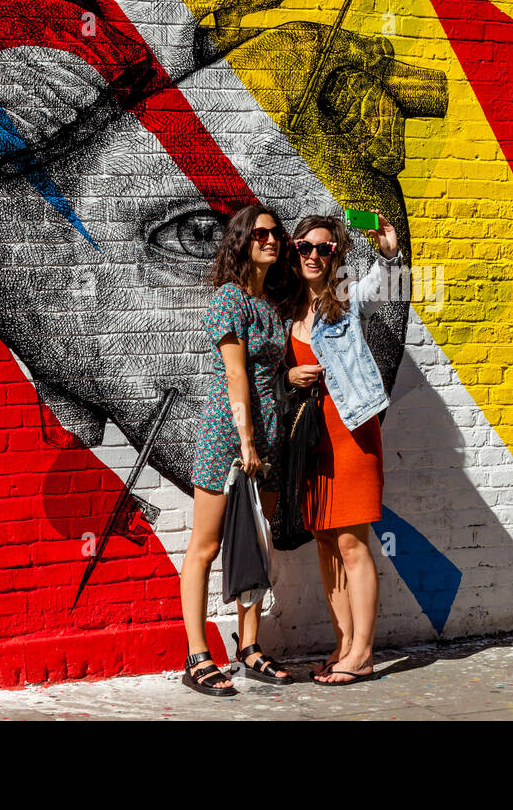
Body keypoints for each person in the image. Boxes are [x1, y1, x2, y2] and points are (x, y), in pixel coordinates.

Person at [181, 205, 296, 696]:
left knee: (257, 542)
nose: (271, 241)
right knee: (206, 546)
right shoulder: (228, 299)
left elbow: (270, 376)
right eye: (261, 234)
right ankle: (197, 656)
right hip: (228, 435)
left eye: (276, 235)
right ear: (242, 241)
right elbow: (235, 375)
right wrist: (246, 440)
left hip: (267, 437)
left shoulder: (271, 305)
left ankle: (248, 647)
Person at [283, 211, 401, 685]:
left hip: (350, 431)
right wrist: (289, 376)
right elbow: (268, 370)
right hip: (309, 441)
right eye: (305, 247)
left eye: (325, 248)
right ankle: (344, 645)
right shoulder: (283, 307)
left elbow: (385, 281)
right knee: (327, 543)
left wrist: (388, 252)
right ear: (294, 252)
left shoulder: (348, 300)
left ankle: (364, 654)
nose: (314, 255)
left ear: (337, 255)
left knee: (352, 544)